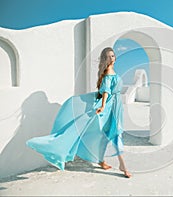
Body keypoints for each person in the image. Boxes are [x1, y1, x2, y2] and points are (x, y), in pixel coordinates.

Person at [26, 47, 131, 178]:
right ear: (105, 59)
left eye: (113, 56)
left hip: (115, 106)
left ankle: (101, 161)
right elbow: (106, 91)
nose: (112, 58)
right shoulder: (108, 73)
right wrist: (103, 106)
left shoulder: (111, 71)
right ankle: (122, 165)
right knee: (115, 135)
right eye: (109, 56)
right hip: (109, 107)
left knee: (105, 135)